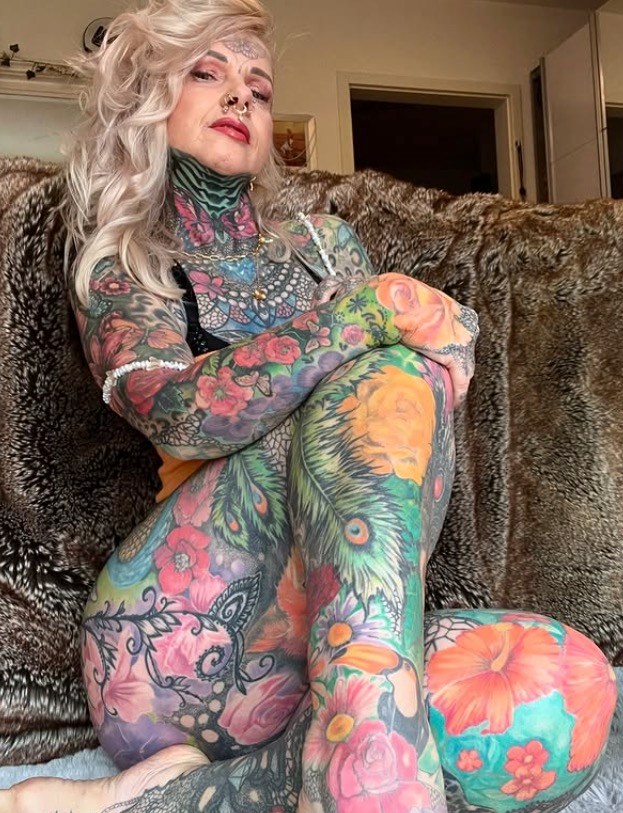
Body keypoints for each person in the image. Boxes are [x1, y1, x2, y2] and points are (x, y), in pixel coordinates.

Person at [2, 1, 617, 811]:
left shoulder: (326, 245)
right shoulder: (125, 257)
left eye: (258, 88)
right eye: (207, 73)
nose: (240, 96)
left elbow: (391, 434)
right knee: (379, 364)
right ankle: (357, 734)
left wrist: (419, 350)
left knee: (560, 690)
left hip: (325, 643)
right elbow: (175, 408)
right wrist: (364, 315)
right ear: (146, 100)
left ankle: (161, 797)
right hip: (178, 644)